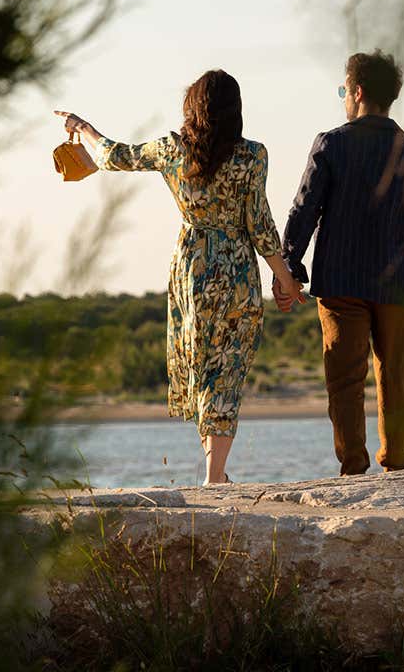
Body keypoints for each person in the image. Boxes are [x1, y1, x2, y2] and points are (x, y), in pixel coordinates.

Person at [54, 69, 303, 485]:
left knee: (201, 363)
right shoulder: (252, 156)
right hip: (237, 268)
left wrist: (84, 128)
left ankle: (215, 473)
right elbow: (260, 224)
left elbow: (115, 155)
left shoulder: (172, 151)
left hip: (193, 267)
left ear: (193, 109)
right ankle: (215, 473)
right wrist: (286, 279)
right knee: (228, 365)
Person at [275, 50, 404, 476]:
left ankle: (354, 465)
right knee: (395, 380)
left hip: (341, 281)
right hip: (402, 286)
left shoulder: (331, 144)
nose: (343, 99)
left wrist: (289, 269)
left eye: (343, 91)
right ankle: (397, 462)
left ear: (358, 92)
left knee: (345, 381)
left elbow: (303, 211)